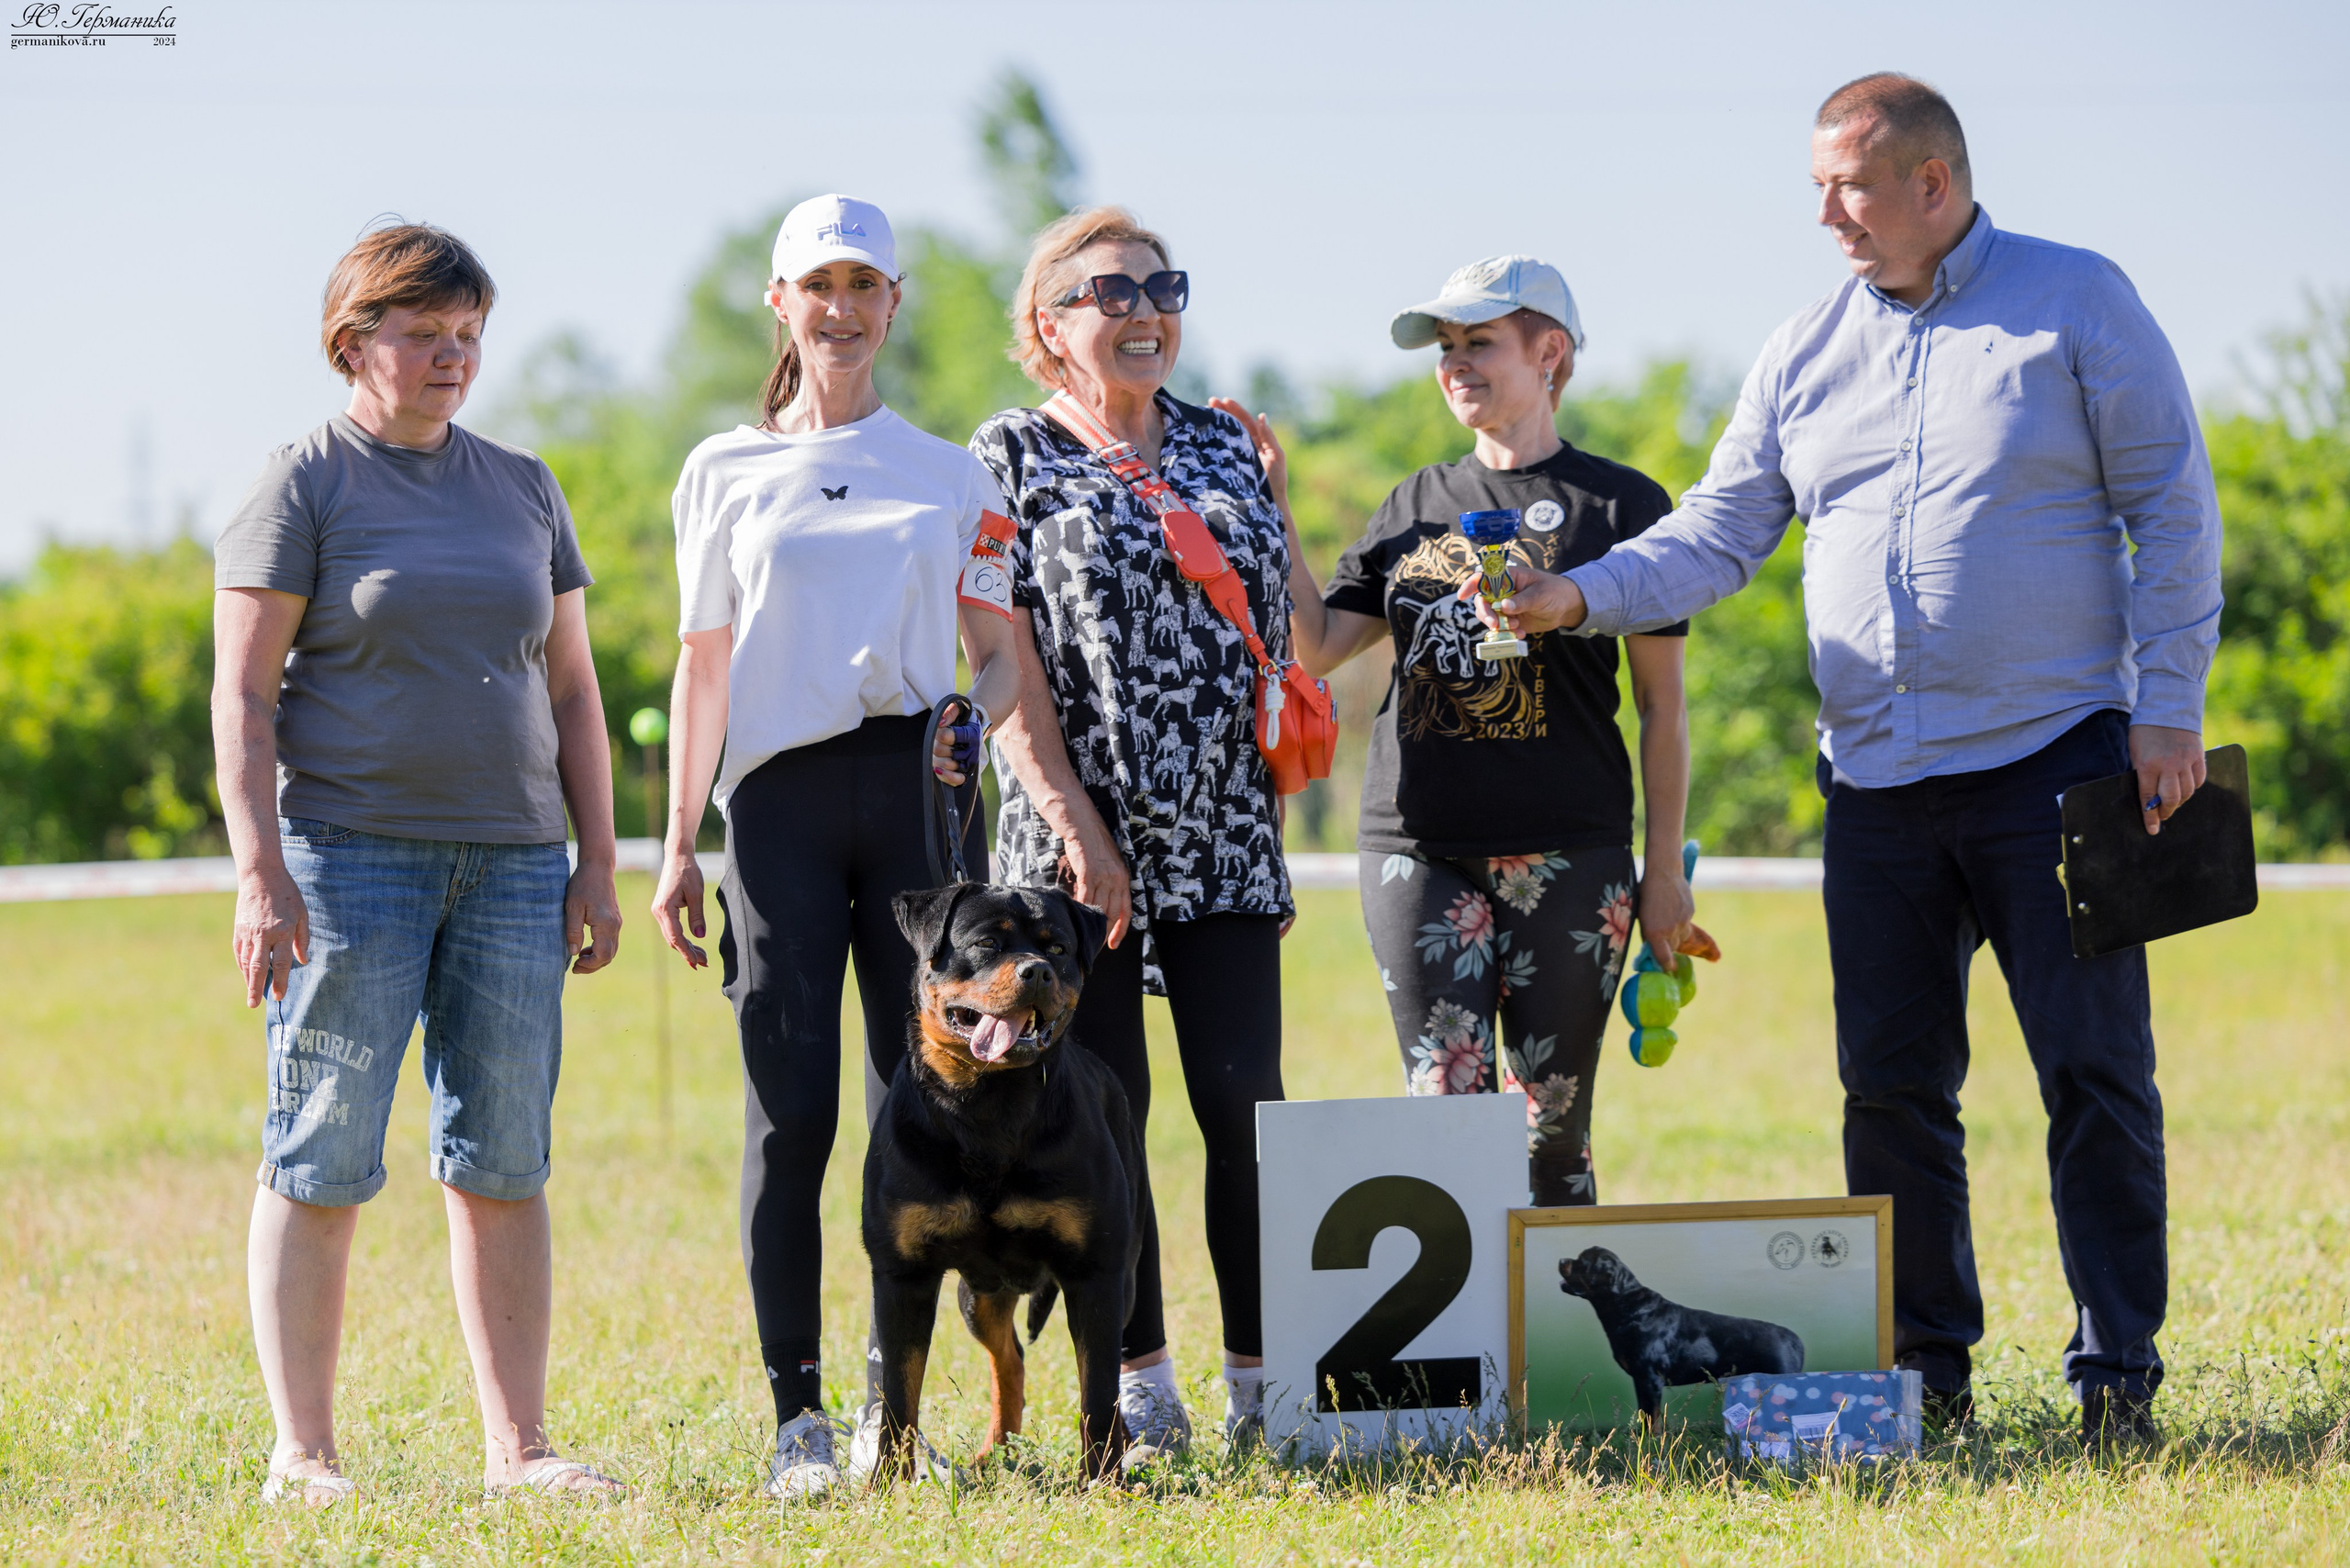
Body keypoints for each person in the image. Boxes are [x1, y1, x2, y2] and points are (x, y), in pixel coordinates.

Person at [1476, 74, 2221, 1444]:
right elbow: (1717, 531)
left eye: (1850, 188)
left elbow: (2172, 505)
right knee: (1889, 1090)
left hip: (2063, 760)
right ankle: (1927, 1373)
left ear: (1933, 183)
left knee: (2095, 1075)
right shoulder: (1803, 349)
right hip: (1874, 785)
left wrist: (2167, 704)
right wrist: (1578, 594)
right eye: (1817, 188)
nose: (1826, 215)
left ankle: (2117, 1374)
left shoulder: (2078, 301)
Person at [211, 223, 626, 1504]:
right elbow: (243, 697)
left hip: (515, 866)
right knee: (321, 1146)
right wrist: (260, 870)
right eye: (424, 333)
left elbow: (572, 691)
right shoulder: (302, 485)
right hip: (348, 863)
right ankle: (304, 1455)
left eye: (468, 335)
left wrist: (597, 862)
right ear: (353, 342)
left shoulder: (525, 487)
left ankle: (521, 1451)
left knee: (504, 1158)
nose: (454, 357)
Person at [650, 194, 1020, 1498]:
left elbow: (999, 655)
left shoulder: (954, 473)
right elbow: (704, 669)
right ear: (782, 304)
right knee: (790, 1115)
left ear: (893, 305)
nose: (842, 307)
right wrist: (677, 843)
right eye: (820, 285)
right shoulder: (719, 470)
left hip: (919, 796)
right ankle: (795, 1420)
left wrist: (973, 722)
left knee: (916, 1109)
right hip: (777, 811)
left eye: (865, 285)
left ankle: (888, 1410)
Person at [1230, 256, 1696, 1207]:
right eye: (1445, 348)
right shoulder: (1412, 504)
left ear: (1549, 352)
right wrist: (1271, 506)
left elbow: (1663, 707)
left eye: (1479, 342)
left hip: (1572, 851)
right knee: (1445, 1109)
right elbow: (1318, 646)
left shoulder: (1624, 506)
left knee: (1550, 1122)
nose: (1454, 364)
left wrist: (1663, 872)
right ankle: (1469, 1313)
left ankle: (1562, 1308)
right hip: (1416, 850)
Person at [970, 206, 1291, 1450]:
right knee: (1106, 1115)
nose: (1145, 310)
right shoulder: (1005, 454)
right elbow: (1000, 657)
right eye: (1110, 292)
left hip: (1223, 825)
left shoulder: (1229, 443)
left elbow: (1293, 623)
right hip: (1072, 837)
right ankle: (1141, 1386)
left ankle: (1264, 1388)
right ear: (1048, 326)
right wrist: (1074, 823)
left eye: (1163, 288)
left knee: (1245, 1104)